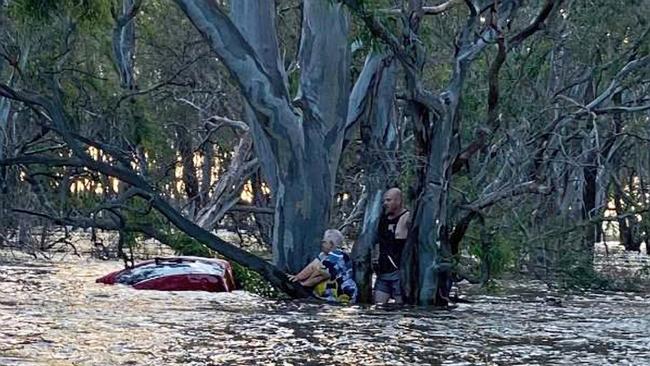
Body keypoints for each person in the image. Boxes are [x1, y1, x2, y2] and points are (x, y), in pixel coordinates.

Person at [288, 229, 358, 304]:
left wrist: (304, 284)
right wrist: (297, 277)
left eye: (324, 242)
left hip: (343, 295)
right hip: (327, 295)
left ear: (331, 244)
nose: (322, 244)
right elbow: (312, 266)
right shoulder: (323, 255)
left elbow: (322, 272)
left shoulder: (338, 254)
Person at [373, 188, 410, 304]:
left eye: (389, 200)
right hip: (383, 272)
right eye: (384, 201)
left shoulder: (407, 217)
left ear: (398, 201)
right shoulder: (382, 218)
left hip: (399, 272)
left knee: (400, 309)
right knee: (378, 307)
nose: (385, 203)